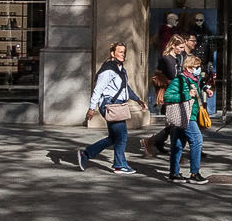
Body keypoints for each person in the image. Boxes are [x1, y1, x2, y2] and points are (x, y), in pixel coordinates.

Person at [77, 41, 140, 175]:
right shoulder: (108, 69)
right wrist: (91, 108)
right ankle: (119, 165)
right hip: (110, 105)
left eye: (124, 52)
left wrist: (138, 100)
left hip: (118, 105)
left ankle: (86, 153)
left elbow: (125, 88)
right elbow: (98, 89)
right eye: (120, 52)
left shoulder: (121, 69)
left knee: (114, 137)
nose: (123, 54)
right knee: (122, 136)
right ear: (112, 53)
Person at [164, 52, 207, 185]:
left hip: (189, 115)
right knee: (197, 140)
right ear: (188, 67)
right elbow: (167, 96)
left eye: (199, 67)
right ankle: (194, 173)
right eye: (196, 67)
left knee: (178, 143)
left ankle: (174, 173)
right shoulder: (180, 80)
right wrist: (187, 94)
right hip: (184, 116)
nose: (198, 70)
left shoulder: (194, 80)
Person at [143, 29, 186, 159]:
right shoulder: (165, 59)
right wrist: (170, 82)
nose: (182, 50)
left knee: (173, 125)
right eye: (180, 47)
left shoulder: (177, 60)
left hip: (176, 95)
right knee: (175, 125)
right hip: (169, 96)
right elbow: (157, 77)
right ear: (173, 45)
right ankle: (174, 154)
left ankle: (154, 142)